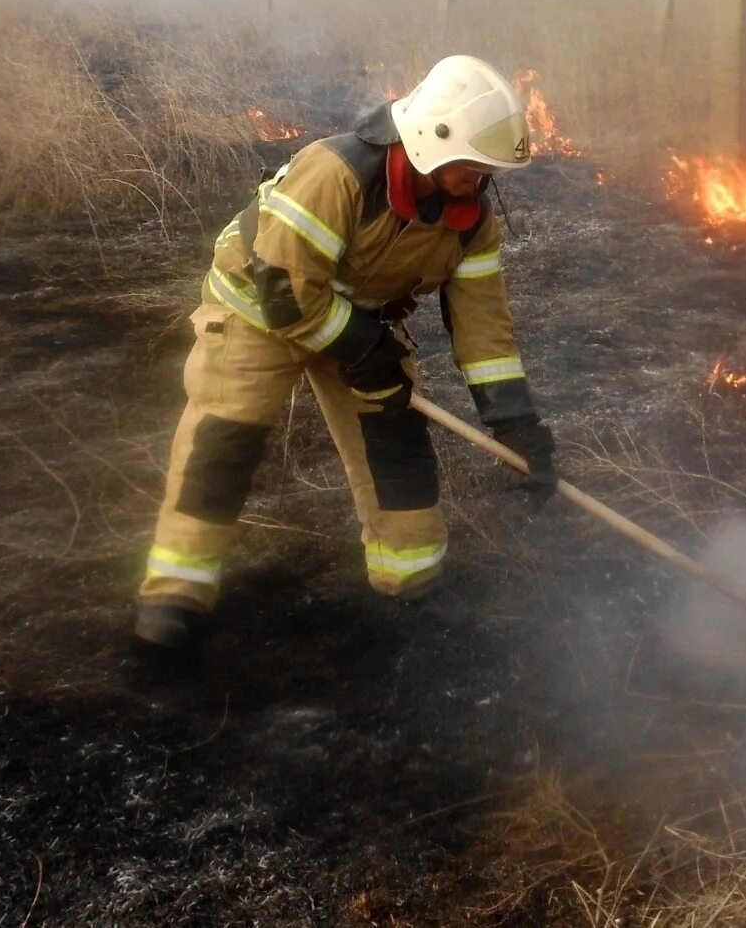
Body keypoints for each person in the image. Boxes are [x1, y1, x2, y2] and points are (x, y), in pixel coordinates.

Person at [133, 55, 559, 652]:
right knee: (224, 439)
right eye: (473, 165)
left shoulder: (472, 218)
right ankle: (176, 591)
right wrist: (369, 356)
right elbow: (287, 293)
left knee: (397, 443)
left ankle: (412, 579)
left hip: (358, 320)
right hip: (258, 311)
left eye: (489, 169)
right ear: (431, 142)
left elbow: (485, 328)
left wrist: (516, 425)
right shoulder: (337, 174)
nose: (481, 180)